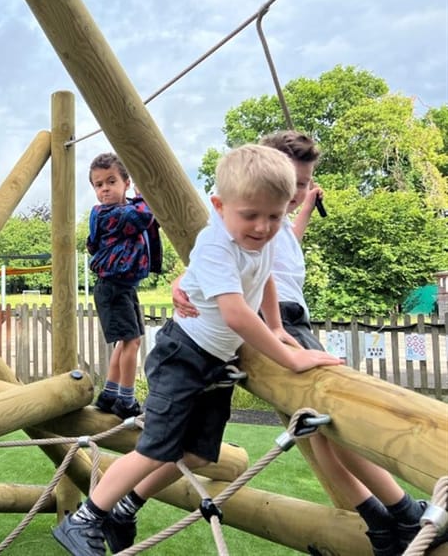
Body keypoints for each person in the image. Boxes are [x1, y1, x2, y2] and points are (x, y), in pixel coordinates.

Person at [53, 144, 343, 556]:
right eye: (251, 216)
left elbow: (266, 280)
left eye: (275, 216)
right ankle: (86, 519)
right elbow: (238, 314)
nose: (263, 227)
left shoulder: (261, 240)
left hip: (215, 362)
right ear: (220, 207)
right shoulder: (215, 244)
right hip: (183, 355)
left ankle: (126, 506)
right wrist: (292, 357)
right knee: (156, 446)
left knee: (200, 454)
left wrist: (276, 327)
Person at [172, 131, 445, 556]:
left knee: (320, 435)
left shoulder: (274, 223)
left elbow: (284, 246)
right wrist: (182, 282)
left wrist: (303, 213)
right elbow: (212, 245)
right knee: (337, 420)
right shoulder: (252, 216)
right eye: (294, 183)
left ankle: (379, 523)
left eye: (303, 184)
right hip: (281, 319)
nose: (298, 194)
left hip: (285, 315)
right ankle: (404, 511)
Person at [87, 152, 158, 419]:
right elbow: (142, 215)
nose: (105, 188)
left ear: (125, 183)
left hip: (122, 286)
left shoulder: (124, 210)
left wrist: (140, 199)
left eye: (111, 181)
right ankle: (126, 401)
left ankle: (109, 394)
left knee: (127, 342)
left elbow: (148, 219)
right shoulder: (110, 215)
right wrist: (144, 195)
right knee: (132, 342)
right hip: (112, 287)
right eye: (98, 184)